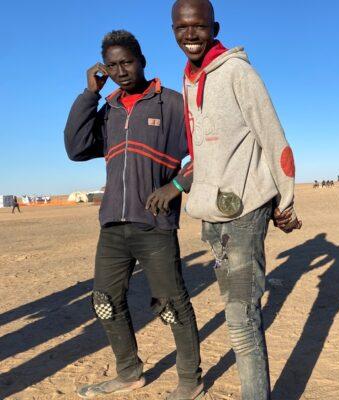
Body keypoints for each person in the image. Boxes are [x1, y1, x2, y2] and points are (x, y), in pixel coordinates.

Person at [153, 2, 303, 398]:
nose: (190, 35)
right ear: (172, 30)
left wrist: (284, 200)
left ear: (214, 27)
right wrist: (181, 187)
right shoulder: (188, 79)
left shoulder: (238, 72)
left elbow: (273, 136)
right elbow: (203, 155)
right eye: (182, 28)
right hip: (210, 216)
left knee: (241, 321)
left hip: (244, 213)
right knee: (237, 315)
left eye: (199, 27)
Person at [64, 30, 202, 399]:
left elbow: (207, 150)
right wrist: (89, 94)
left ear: (142, 60)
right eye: (112, 65)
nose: (120, 70)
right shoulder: (107, 109)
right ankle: (129, 372)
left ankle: (190, 380)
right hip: (112, 225)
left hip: (154, 225)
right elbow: (76, 149)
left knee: (170, 304)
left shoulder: (171, 104)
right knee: (104, 302)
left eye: (126, 62)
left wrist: (176, 187)